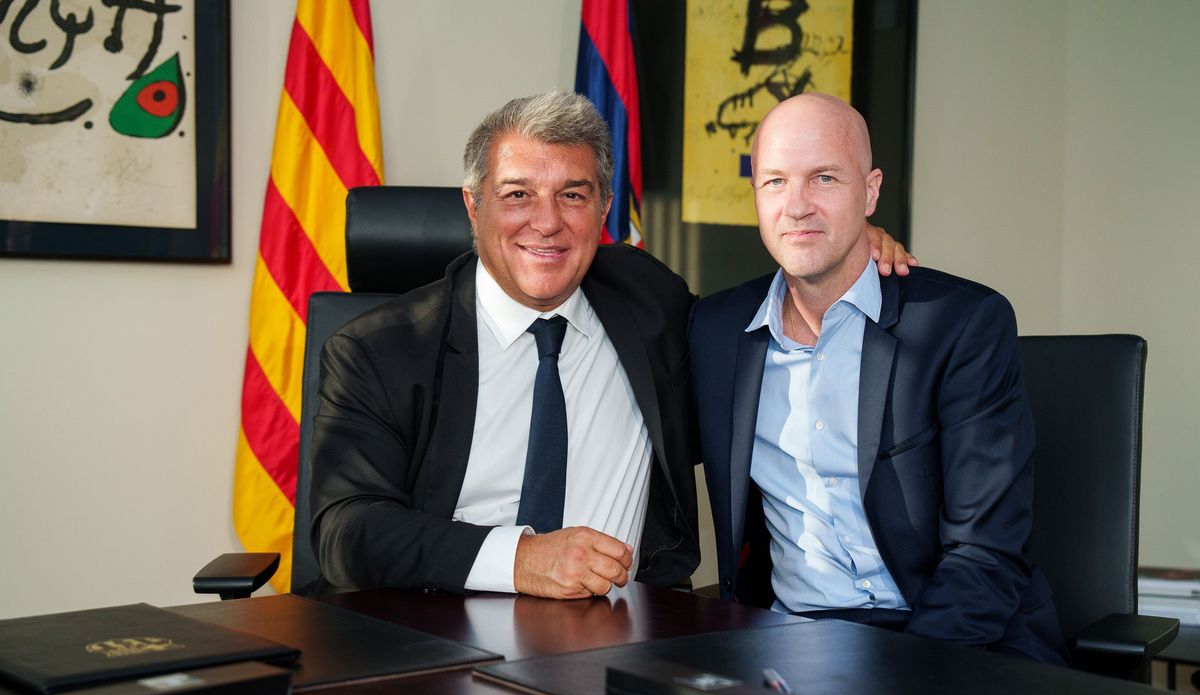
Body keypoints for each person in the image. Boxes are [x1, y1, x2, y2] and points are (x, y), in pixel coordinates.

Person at [310, 91, 912, 600]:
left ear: (603, 207)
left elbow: (761, 345)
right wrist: (519, 559)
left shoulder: (648, 301)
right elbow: (346, 529)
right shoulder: (379, 350)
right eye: (518, 194)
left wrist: (846, 245)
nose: (547, 222)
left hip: (624, 635)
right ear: (474, 206)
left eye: (573, 195)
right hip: (442, 633)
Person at [689, 93, 1063, 662]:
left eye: (824, 179)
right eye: (776, 182)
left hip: (959, 645)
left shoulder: (961, 324)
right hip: (795, 645)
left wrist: (904, 686)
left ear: (870, 192)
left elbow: (984, 554)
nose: (797, 206)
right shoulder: (715, 331)